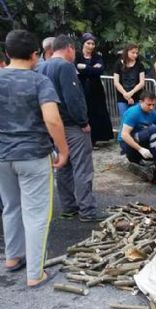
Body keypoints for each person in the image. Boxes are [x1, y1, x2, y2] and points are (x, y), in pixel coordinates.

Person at [0, 30, 69, 287]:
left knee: (11, 206)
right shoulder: (39, 81)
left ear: (7, 54)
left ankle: (12, 257)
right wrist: (63, 150)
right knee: (37, 213)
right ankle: (35, 274)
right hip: (33, 155)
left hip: (2, 156)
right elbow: (52, 119)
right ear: (35, 55)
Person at [38, 35, 103, 222]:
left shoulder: (42, 66)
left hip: (53, 125)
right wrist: (83, 122)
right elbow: (73, 98)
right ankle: (87, 210)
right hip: (72, 124)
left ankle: (68, 207)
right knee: (82, 167)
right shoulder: (65, 67)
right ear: (69, 48)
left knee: (63, 165)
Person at [76, 32, 113, 145]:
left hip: (96, 90)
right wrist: (91, 69)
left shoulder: (97, 57)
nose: (91, 46)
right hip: (81, 89)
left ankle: (98, 138)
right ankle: (87, 139)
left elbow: (99, 70)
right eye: (88, 43)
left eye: (93, 44)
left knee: (98, 113)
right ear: (83, 43)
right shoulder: (77, 56)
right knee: (85, 113)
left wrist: (85, 68)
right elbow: (76, 69)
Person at [119, 90, 156, 176]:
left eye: (153, 105)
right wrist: (140, 149)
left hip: (141, 140)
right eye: (149, 105)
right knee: (153, 129)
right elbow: (124, 135)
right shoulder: (133, 113)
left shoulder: (153, 112)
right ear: (141, 102)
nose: (151, 107)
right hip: (127, 144)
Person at [113, 43, 146, 129]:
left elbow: (142, 82)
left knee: (137, 120)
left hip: (136, 96)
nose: (135, 55)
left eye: (136, 53)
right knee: (125, 120)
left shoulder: (139, 65)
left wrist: (131, 93)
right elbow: (116, 82)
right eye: (133, 52)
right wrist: (126, 94)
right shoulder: (118, 64)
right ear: (127, 52)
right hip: (122, 97)